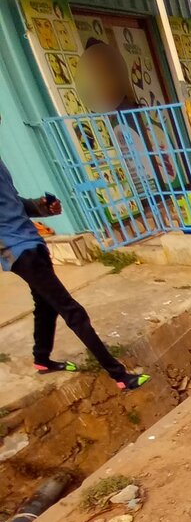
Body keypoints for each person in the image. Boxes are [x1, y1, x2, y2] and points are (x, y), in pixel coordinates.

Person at [0, 150, 150, 390]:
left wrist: (42, 206)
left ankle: (42, 359)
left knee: (46, 305)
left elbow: (13, 203)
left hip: (32, 242)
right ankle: (120, 376)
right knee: (72, 311)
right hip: (19, 251)